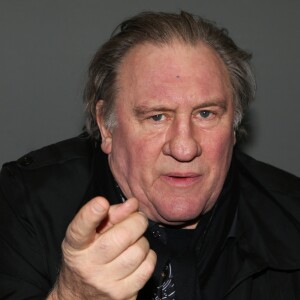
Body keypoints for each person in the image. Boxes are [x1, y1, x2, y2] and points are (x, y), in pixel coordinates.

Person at [0, 11, 300, 300]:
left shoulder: (290, 214)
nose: (184, 148)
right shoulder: (24, 205)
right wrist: (75, 296)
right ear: (106, 125)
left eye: (206, 114)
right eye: (157, 117)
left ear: (234, 125)